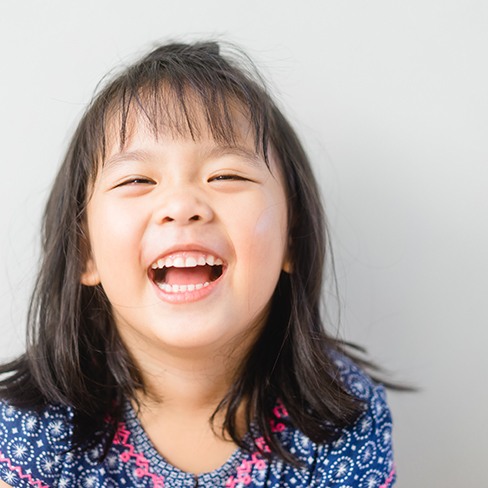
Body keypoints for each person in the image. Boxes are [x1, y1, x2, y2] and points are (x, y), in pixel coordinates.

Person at [0, 41, 395, 487]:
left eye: (226, 175)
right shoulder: (28, 431)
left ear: (291, 238)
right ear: (84, 251)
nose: (182, 205)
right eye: (137, 180)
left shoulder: (340, 417)